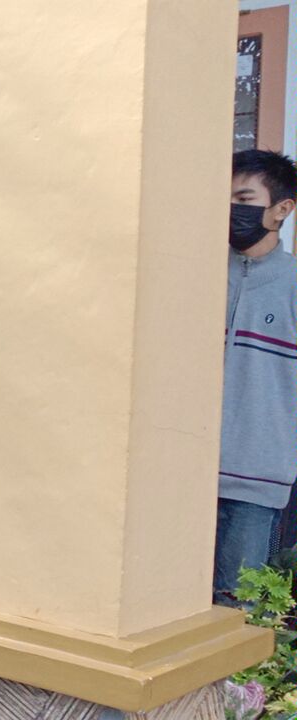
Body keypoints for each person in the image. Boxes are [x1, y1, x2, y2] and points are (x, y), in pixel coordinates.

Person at [216, 149, 297, 603]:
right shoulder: (197, 274)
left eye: (244, 198)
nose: (232, 209)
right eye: (225, 197)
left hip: (255, 483)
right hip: (178, 475)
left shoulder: (293, 285)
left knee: (236, 613)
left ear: (282, 209)